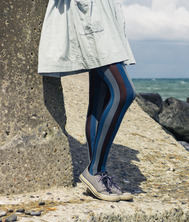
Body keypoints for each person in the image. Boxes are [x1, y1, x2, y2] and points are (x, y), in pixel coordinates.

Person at [38, 0, 137, 202]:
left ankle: (100, 175)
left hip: (104, 14)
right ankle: (94, 169)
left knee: (100, 100)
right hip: (90, 15)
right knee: (124, 92)